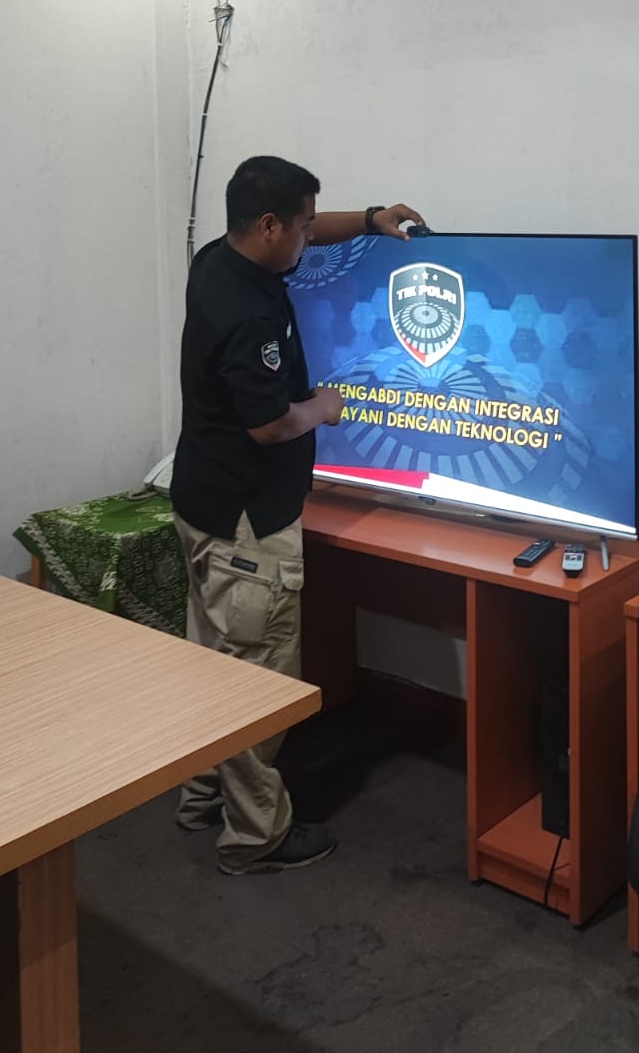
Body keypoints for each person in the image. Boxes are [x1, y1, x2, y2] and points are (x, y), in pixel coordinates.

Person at [169, 155, 425, 874]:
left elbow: (308, 229)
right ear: (269, 226)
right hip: (248, 524)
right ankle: (257, 836)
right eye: (304, 226)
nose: (312, 236)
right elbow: (270, 425)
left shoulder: (215, 259)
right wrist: (326, 407)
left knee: (214, 663)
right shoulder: (247, 312)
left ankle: (202, 795)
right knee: (257, 682)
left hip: (203, 503)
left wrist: (370, 221)